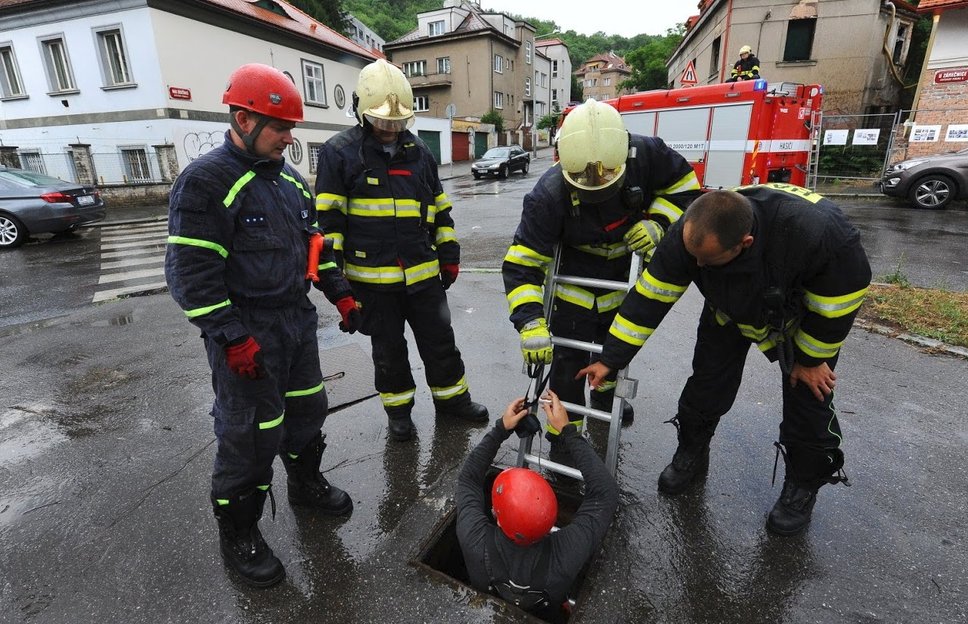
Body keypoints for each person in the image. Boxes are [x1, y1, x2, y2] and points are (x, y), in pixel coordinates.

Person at [578, 184, 872, 536]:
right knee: (706, 384)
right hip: (727, 310)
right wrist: (610, 358)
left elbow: (842, 298)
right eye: (694, 257)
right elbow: (649, 299)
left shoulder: (821, 236)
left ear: (743, 244)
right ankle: (692, 452)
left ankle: (802, 486)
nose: (697, 265)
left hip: (799, 320)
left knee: (809, 400)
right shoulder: (690, 234)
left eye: (707, 261)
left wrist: (812, 357)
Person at [164, 63, 357, 588]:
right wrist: (230, 336)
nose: (290, 140)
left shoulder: (293, 182)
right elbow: (190, 275)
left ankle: (305, 484)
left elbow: (317, 249)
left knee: (307, 409)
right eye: (280, 128)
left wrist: (340, 296)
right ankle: (240, 533)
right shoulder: (205, 182)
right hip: (246, 335)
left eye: (292, 128)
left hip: (296, 322)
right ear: (244, 119)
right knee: (248, 434)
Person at [502, 99, 700, 461]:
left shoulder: (648, 154)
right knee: (567, 368)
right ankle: (565, 437)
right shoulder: (547, 194)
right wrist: (531, 323)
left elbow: (686, 190)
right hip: (574, 289)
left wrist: (658, 223)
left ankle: (607, 398)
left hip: (622, 283)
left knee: (615, 353)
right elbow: (523, 264)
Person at [315, 59, 488, 441]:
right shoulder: (339, 153)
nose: (392, 129)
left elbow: (439, 209)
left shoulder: (419, 153)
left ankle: (453, 402)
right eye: (384, 121)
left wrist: (450, 255)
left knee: (441, 344)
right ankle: (399, 415)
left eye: (399, 122)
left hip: (423, 275)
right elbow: (329, 227)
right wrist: (340, 287)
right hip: (372, 283)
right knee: (389, 354)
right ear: (362, 111)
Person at [456, 391, 619, 621]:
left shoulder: (473, 539)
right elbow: (606, 493)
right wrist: (568, 431)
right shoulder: (567, 554)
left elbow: (469, 479)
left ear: (498, 518)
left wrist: (501, 429)